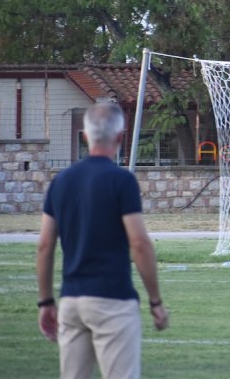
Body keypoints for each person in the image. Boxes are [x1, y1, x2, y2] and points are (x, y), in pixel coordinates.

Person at [36, 102, 169, 378]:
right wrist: (155, 300)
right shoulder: (121, 181)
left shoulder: (61, 181)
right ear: (121, 137)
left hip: (72, 301)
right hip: (113, 300)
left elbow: (45, 245)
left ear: (85, 136)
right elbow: (140, 244)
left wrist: (46, 301)